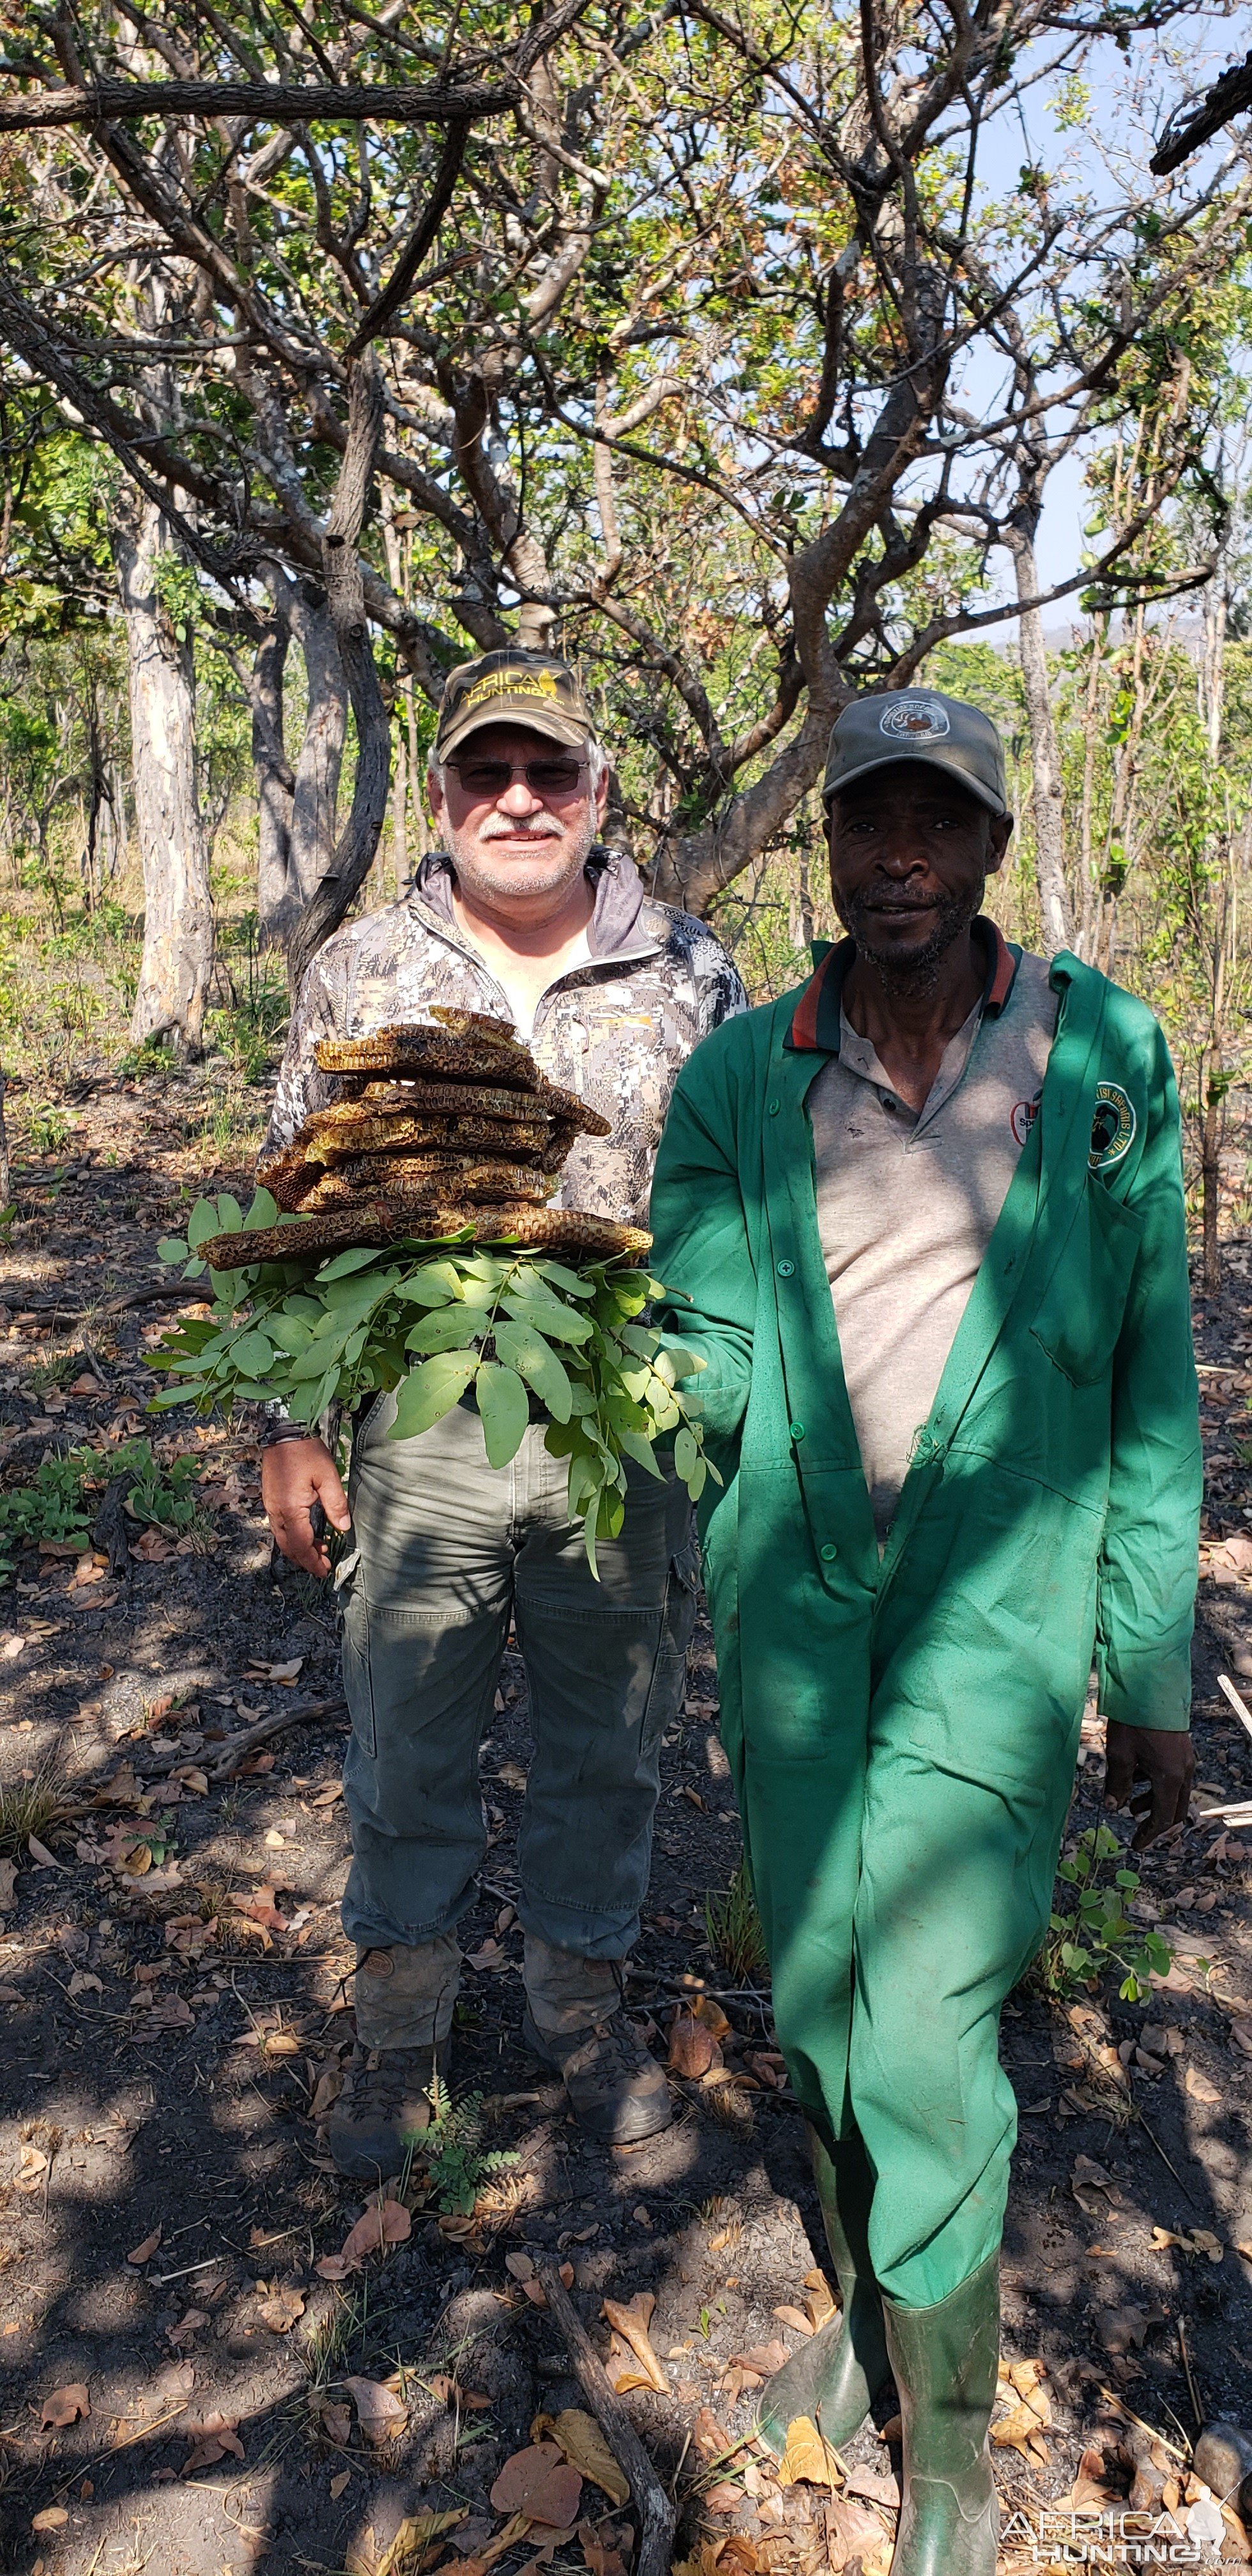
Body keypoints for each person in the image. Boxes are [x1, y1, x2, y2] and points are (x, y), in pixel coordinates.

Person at [648, 688, 1200, 2576]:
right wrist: (595, 1379)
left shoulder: (1101, 1058)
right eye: (867, 821)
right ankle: (877, 2318)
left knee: (929, 2025)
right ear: (827, 849)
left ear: (984, 849)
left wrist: (1150, 1669)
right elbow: (715, 1343)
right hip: (797, 1604)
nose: (900, 855)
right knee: (816, 2001)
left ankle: (948, 2460)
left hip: (1003, 1598)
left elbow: (1150, 1383)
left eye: (935, 823)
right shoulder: (741, 1077)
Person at [259, 647, 745, 2175]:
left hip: (621, 1428)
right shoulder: (363, 970)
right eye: (487, 773)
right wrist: (287, 1417)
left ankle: (574, 2019)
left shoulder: (692, 971)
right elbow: (298, 1202)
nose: (518, 801)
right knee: (408, 1737)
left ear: (600, 794)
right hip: (424, 1427)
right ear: (445, 794)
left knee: (608, 1741)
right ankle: (397, 2026)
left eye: (549, 774)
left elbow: (737, 1209)